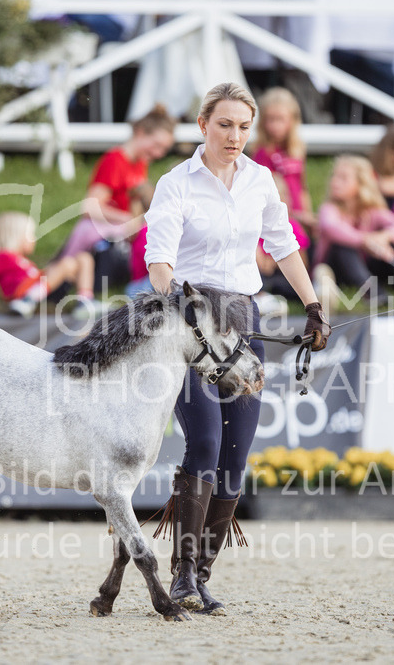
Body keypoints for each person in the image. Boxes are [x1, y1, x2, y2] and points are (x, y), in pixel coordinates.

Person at [144, 82, 330, 617]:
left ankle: (201, 575)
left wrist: (313, 305)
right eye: (225, 125)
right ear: (204, 124)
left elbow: (283, 244)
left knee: (236, 454)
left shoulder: (260, 179)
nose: (235, 136)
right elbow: (159, 259)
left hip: (244, 320)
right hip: (191, 324)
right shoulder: (175, 184)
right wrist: (179, 304)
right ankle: (181, 574)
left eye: (244, 127)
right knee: (203, 440)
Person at [60, 104, 175, 261]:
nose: (158, 154)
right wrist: (128, 219)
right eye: (156, 145)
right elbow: (89, 208)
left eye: (164, 149)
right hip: (100, 233)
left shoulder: (140, 163)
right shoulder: (115, 160)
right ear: (140, 133)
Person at [315, 155, 394, 305]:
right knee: (343, 247)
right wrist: (366, 241)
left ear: (361, 183)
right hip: (337, 269)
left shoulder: (373, 211)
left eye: (343, 178)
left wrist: (385, 237)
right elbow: (331, 227)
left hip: (367, 266)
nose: (335, 182)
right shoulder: (329, 209)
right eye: (334, 176)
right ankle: (374, 293)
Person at [0, 212, 98, 316]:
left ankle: (85, 300)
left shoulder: (21, 259)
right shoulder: (3, 256)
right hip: (21, 295)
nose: (34, 239)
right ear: (16, 237)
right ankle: (28, 300)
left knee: (84, 258)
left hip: (41, 291)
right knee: (67, 264)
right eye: (30, 235)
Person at [251, 87, 316, 250]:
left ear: (292, 120)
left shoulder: (297, 150)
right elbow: (269, 195)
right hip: (281, 219)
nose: (275, 125)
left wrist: (307, 214)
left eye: (280, 119)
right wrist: (297, 216)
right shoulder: (263, 153)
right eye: (270, 119)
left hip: (300, 218)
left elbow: (302, 187)